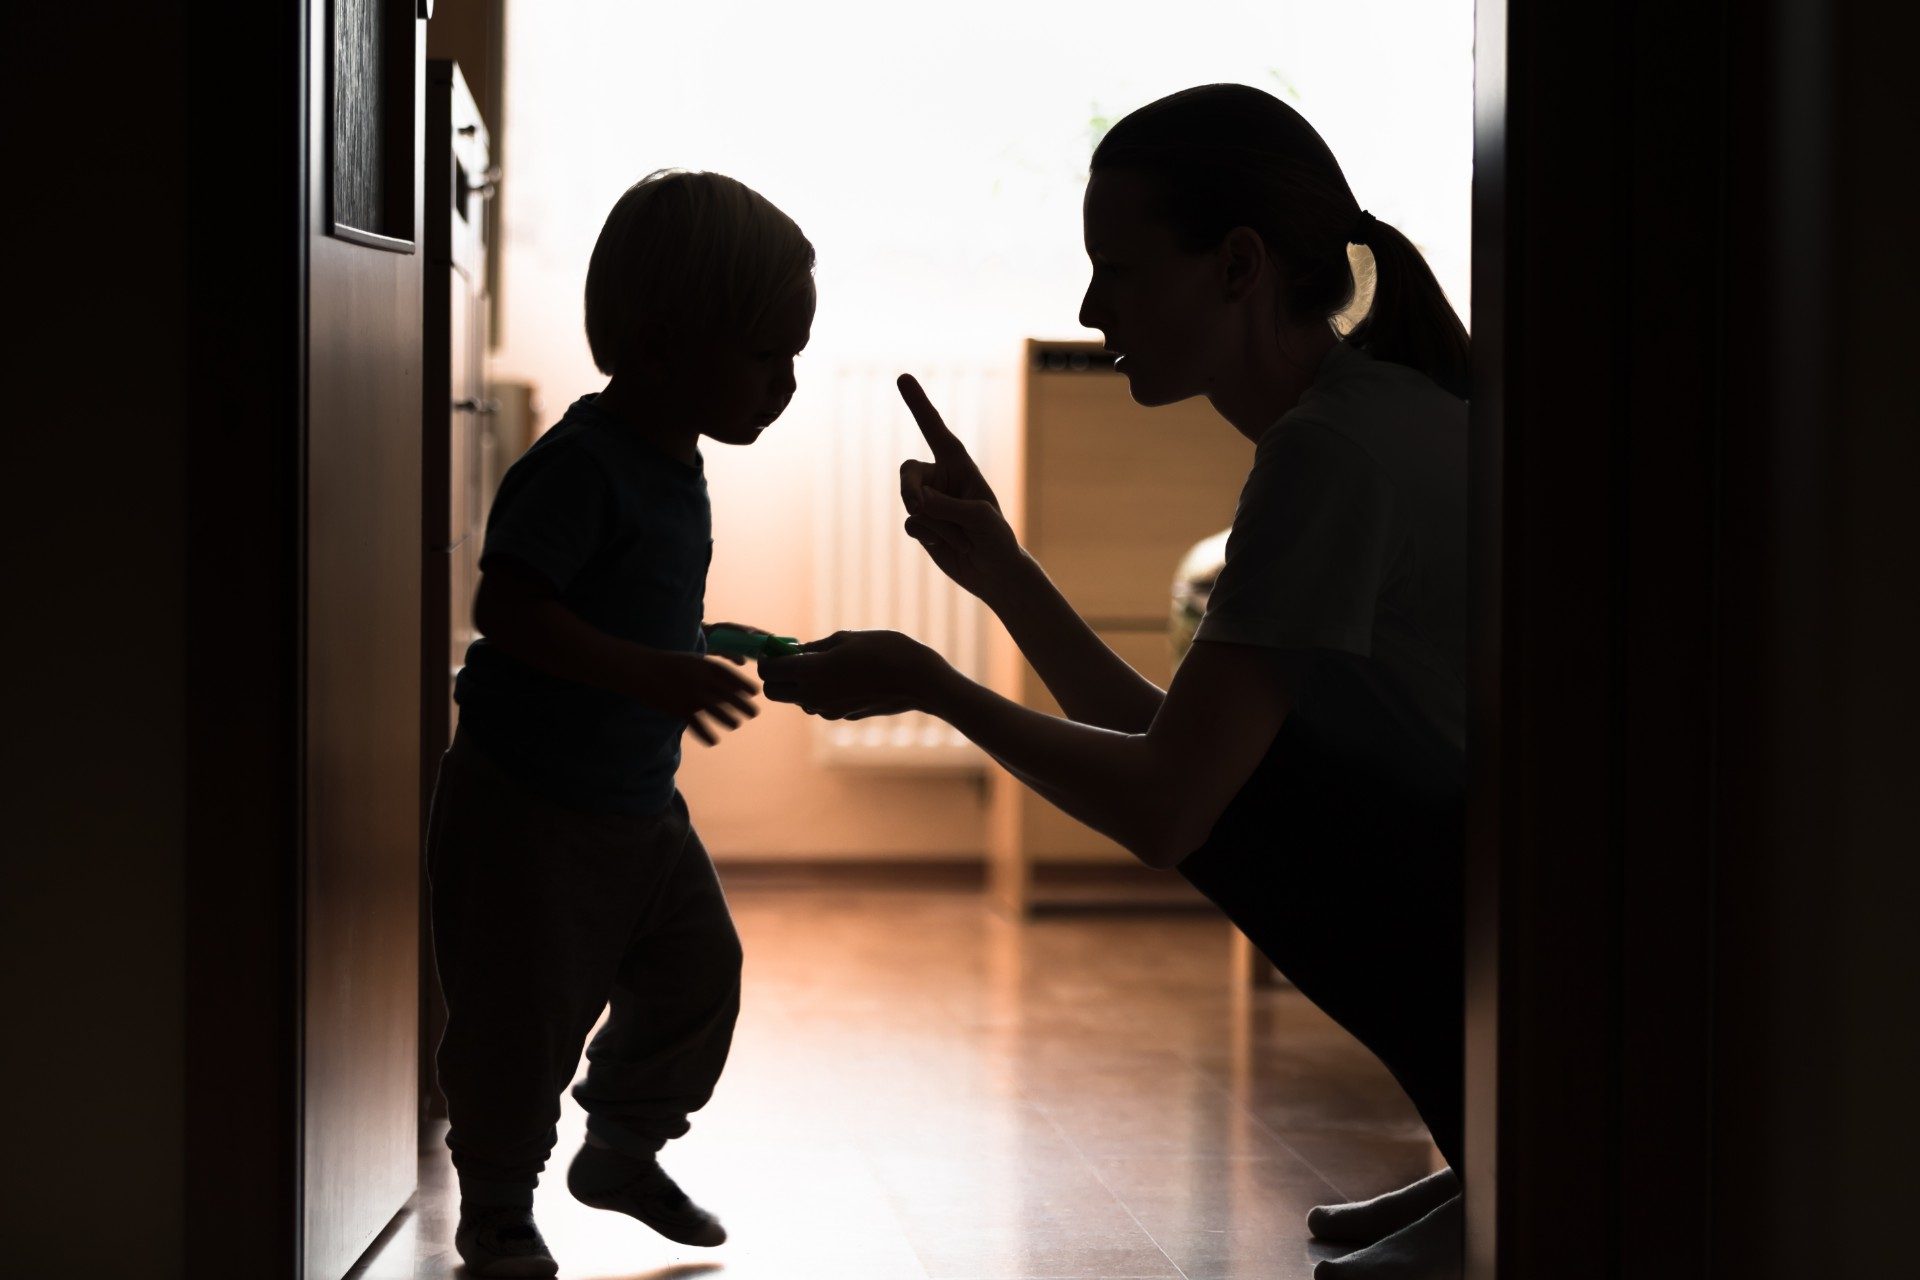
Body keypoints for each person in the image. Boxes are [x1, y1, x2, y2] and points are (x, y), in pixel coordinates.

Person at [760, 84, 1469, 1280]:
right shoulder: (1365, 413)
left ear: (1238, 265)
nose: (1092, 308)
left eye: (1120, 270)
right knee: (1256, 785)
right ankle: (1490, 1153)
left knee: (1250, 812)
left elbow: (1166, 806)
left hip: (1519, 893)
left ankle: (1508, 1174)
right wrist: (1005, 573)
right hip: (1497, 861)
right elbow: (1188, 748)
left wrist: (938, 684)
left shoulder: (1329, 454)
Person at [426, 168, 812, 1278]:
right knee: (520, 1021)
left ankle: (623, 1145)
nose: (785, 382)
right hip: (531, 808)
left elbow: (629, 602)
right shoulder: (579, 463)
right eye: (766, 354)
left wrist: (707, 639)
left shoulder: (672, 461)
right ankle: (498, 1202)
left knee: (699, 975)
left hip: (639, 806)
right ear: (657, 349)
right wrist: (652, 672)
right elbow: (507, 607)